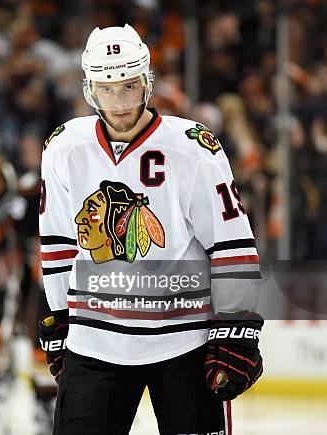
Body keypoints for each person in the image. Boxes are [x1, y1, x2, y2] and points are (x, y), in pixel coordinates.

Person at [38, 25, 264, 434]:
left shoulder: (192, 147)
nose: (119, 102)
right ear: (90, 89)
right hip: (94, 342)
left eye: (128, 86)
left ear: (147, 82)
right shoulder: (63, 147)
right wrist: (58, 317)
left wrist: (235, 329)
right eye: (107, 89)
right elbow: (57, 242)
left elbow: (231, 243)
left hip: (185, 342)